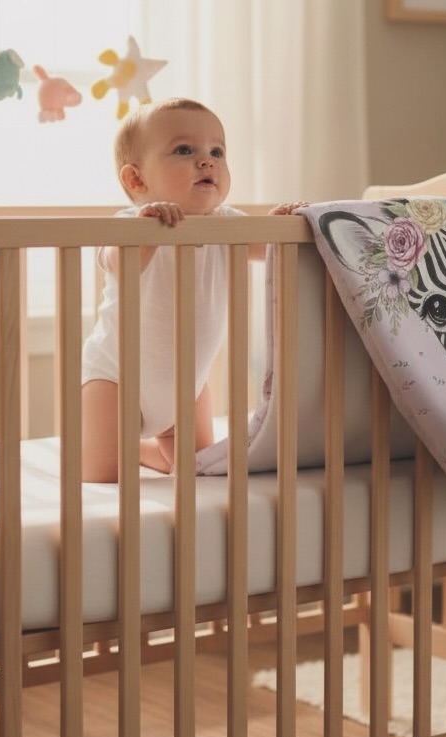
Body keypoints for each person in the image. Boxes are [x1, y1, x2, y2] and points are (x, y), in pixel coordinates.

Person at [81, 97, 306, 482]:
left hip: (188, 383)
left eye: (217, 151)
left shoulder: (226, 224)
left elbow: (270, 249)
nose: (207, 161)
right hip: (117, 378)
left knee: (197, 466)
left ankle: (146, 451)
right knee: (104, 476)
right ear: (136, 180)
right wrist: (147, 233)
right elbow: (118, 263)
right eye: (184, 150)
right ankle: (121, 449)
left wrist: (281, 225)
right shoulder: (130, 223)